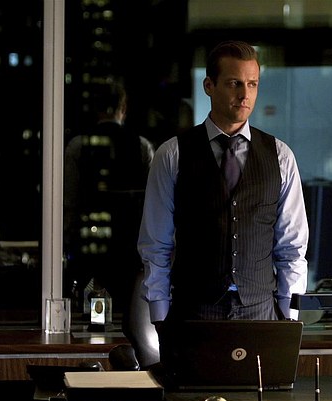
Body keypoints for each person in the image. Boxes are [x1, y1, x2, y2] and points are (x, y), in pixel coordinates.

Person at [137, 40, 309, 363]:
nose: (245, 95)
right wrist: (160, 317)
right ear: (209, 86)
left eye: (252, 84)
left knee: (262, 395)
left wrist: (289, 315)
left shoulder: (281, 156)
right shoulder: (172, 155)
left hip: (261, 314)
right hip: (193, 313)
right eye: (234, 83)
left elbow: (292, 246)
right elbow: (155, 245)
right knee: (189, 395)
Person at [64, 78, 154, 328]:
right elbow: (154, 202)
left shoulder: (79, 146)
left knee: (90, 311)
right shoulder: (141, 146)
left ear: (95, 109)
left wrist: (67, 239)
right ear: (123, 109)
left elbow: (69, 201)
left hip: (90, 244)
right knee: (130, 313)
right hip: (130, 244)